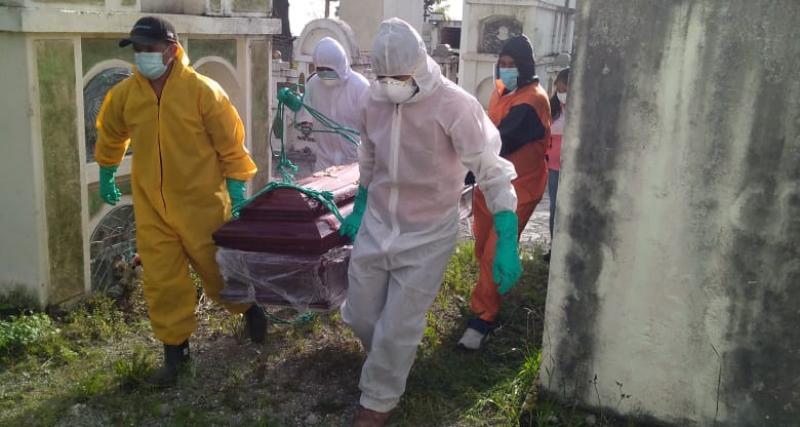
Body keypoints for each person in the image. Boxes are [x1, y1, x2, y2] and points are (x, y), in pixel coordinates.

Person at [338, 18, 521, 427]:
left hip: (427, 232)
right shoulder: (374, 99)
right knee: (362, 314)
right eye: (383, 77)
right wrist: (364, 199)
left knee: (400, 323)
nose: (391, 85)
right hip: (380, 222)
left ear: (419, 66)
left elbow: (490, 167)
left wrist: (506, 231)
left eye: (399, 77)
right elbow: (368, 150)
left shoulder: (453, 105)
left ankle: (377, 403)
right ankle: (386, 362)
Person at [94, 16, 267, 386]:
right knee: (162, 280)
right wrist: (107, 169)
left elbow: (230, 141)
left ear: (171, 50)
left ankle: (250, 308)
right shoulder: (127, 95)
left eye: (149, 49)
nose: (142, 56)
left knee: (219, 273)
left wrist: (237, 186)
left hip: (202, 204)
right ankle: (176, 355)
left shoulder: (202, 91)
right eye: (137, 50)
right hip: (153, 208)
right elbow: (111, 130)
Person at [458, 35, 552, 351]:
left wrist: (460, 168)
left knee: (493, 253)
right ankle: (488, 294)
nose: (506, 69)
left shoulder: (533, 101)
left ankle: (484, 317)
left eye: (513, 65)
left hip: (518, 190)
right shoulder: (502, 92)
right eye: (503, 64)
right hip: (489, 185)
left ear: (525, 67)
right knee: (482, 244)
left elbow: (501, 141)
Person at [297, 37, 370, 171]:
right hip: (324, 161)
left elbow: (372, 127)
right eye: (321, 69)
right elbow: (306, 109)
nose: (325, 73)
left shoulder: (360, 87)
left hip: (353, 162)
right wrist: (305, 122)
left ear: (340, 64)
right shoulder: (314, 84)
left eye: (329, 69)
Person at [544, 68, 569, 262]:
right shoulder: (551, 107)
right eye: (561, 85)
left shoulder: (580, 107)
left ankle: (567, 247)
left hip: (572, 167)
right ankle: (554, 248)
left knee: (569, 208)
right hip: (553, 166)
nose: (564, 88)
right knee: (555, 208)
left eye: (567, 85)